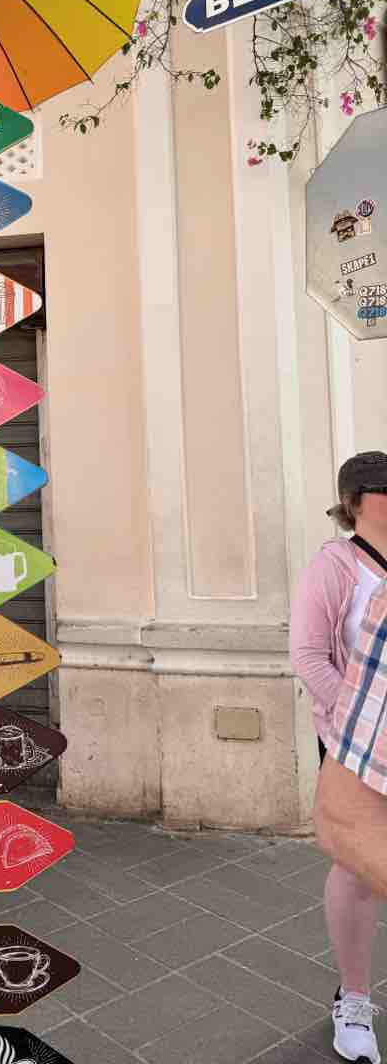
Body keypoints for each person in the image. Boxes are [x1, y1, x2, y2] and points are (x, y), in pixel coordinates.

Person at [292, 451, 387, 1063]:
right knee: (356, 864)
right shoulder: (335, 566)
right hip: (356, 745)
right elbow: (308, 656)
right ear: (354, 501)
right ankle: (353, 999)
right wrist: (360, 724)